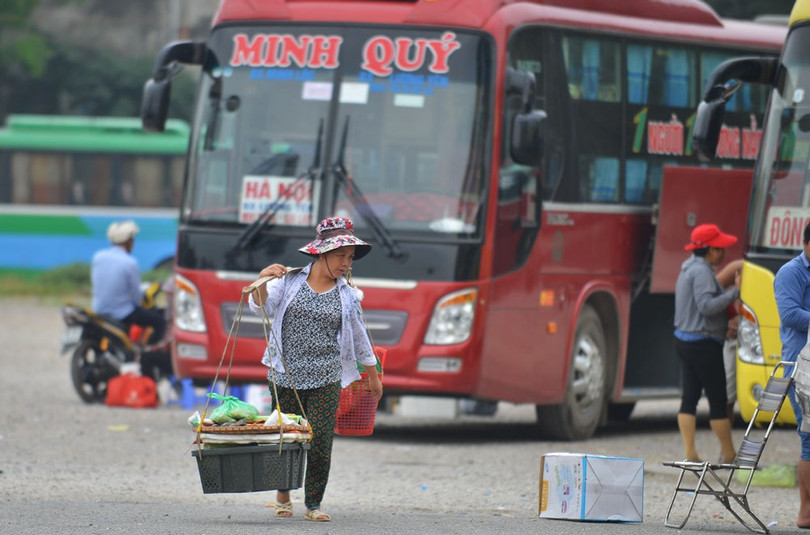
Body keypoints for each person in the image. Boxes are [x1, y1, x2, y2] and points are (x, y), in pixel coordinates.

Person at [249, 216, 383, 523]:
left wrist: (372, 375)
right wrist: (262, 279)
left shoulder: (348, 296)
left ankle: (313, 503)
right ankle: (283, 494)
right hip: (285, 375)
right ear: (321, 253)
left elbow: (360, 336)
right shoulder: (290, 282)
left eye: (349, 258)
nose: (346, 263)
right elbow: (264, 308)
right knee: (286, 437)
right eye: (340, 256)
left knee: (321, 440)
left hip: (326, 375)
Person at [673, 223, 741, 464]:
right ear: (711, 250)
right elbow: (706, 306)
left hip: (684, 340)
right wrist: (735, 292)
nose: (724, 252)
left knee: (689, 397)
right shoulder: (701, 272)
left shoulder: (687, 268)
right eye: (720, 248)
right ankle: (730, 455)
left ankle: (690, 454)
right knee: (718, 400)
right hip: (703, 343)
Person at [91, 220, 169, 378]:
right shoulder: (130, 262)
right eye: (132, 240)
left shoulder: (98, 257)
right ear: (127, 242)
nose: (133, 243)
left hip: (99, 309)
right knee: (159, 321)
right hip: (121, 313)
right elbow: (135, 296)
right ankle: (148, 357)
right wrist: (141, 302)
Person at [774, 221, 810, 529]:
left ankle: (805, 513)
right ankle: (805, 512)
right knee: (809, 438)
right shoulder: (790, 272)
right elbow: (789, 315)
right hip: (802, 370)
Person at [716, 258, 744, 422]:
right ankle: (725, 445)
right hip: (735, 337)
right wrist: (729, 318)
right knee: (728, 395)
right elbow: (711, 293)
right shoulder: (741, 267)